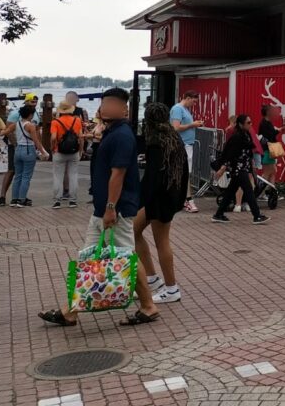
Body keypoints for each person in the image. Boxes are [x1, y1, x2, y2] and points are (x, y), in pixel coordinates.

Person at [38, 88, 161, 327]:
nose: (106, 108)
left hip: (116, 209)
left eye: (113, 104)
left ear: (125, 109)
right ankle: (71, 311)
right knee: (88, 258)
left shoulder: (123, 135)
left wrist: (111, 208)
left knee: (126, 258)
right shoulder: (111, 132)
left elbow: (118, 174)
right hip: (102, 208)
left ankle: (148, 306)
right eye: (104, 104)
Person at [135, 102, 190, 304]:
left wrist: (140, 198)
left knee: (161, 241)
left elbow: (152, 177)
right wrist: (182, 197)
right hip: (171, 194)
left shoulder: (155, 141)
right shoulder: (174, 137)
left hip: (159, 196)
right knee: (135, 231)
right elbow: (184, 171)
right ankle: (152, 278)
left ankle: (171, 288)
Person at [211, 114, 269, 225]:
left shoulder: (246, 135)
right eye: (248, 123)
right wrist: (222, 168)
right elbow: (229, 153)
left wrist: (251, 165)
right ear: (241, 124)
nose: (250, 124)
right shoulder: (236, 137)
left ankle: (218, 214)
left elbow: (248, 151)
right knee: (249, 191)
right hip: (238, 169)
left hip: (243, 167)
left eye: (251, 122)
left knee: (230, 192)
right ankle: (257, 216)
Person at [170, 91, 204, 213]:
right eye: (194, 101)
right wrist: (192, 125)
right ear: (188, 98)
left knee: (185, 173)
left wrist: (193, 125)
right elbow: (175, 127)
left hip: (187, 144)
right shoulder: (178, 109)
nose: (194, 104)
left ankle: (183, 199)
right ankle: (187, 200)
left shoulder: (185, 109)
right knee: (185, 174)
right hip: (182, 145)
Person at [50, 101, 84, 209]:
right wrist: (81, 150)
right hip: (74, 151)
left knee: (58, 176)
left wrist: (52, 148)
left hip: (59, 151)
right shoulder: (77, 120)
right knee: (73, 175)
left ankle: (57, 201)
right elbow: (81, 137)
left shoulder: (55, 122)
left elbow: (53, 137)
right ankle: (73, 200)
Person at [255, 104, 281, 200]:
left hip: (270, 149)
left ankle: (271, 192)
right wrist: (277, 131)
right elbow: (269, 136)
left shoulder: (267, 122)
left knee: (273, 172)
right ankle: (261, 193)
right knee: (267, 173)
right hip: (268, 150)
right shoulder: (265, 123)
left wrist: (276, 130)